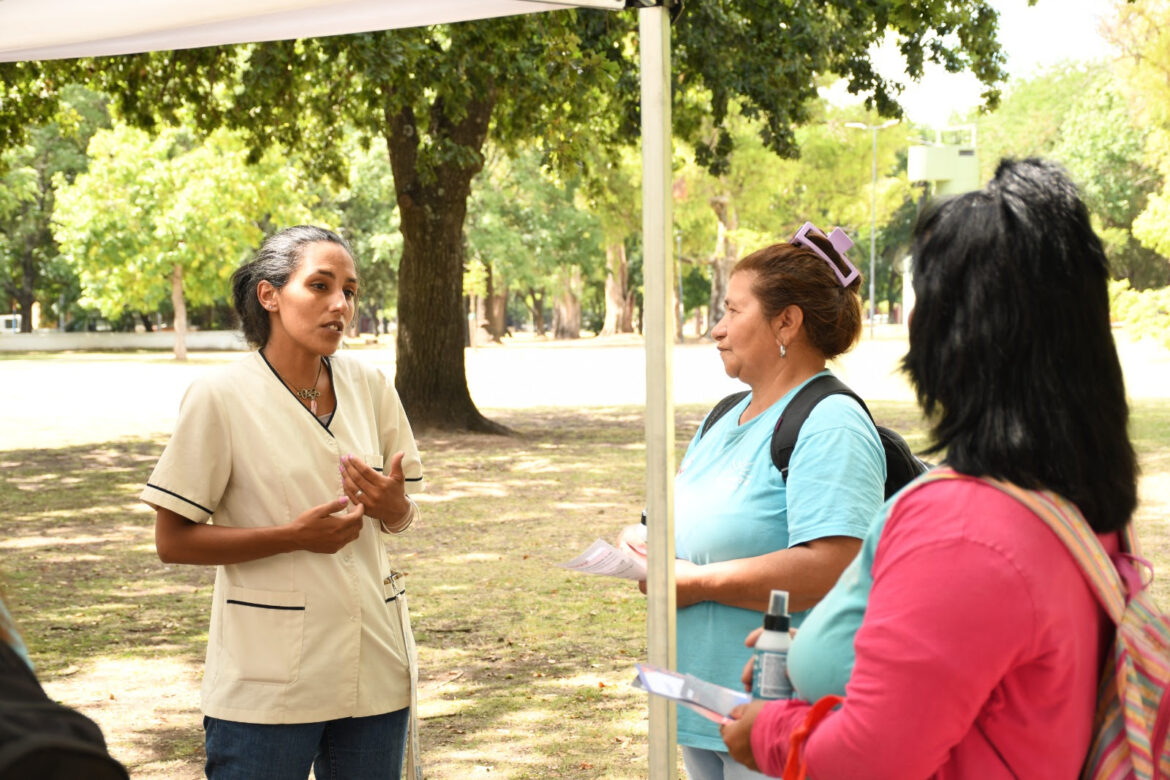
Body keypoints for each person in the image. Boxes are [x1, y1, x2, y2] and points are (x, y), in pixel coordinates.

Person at [720, 158, 1139, 779]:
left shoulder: (964, 528)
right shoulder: (1075, 502)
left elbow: (870, 757)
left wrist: (772, 732)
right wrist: (811, 663)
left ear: (951, 336)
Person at [141, 225, 424, 780]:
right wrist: (293, 537)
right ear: (269, 295)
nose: (340, 304)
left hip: (374, 664)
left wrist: (395, 509)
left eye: (349, 290)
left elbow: (401, 514)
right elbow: (171, 542)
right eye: (319, 286)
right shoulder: (220, 397)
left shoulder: (369, 385)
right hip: (268, 681)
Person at [618, 223, 887, 780]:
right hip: (700, 707)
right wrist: (640, 541)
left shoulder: (831, 423)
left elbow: (835, 564)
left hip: (779, 719)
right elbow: (679, 524)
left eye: (733, 312)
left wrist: (694, 582)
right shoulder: (721, 417)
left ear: (786, 321)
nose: (716, 330)